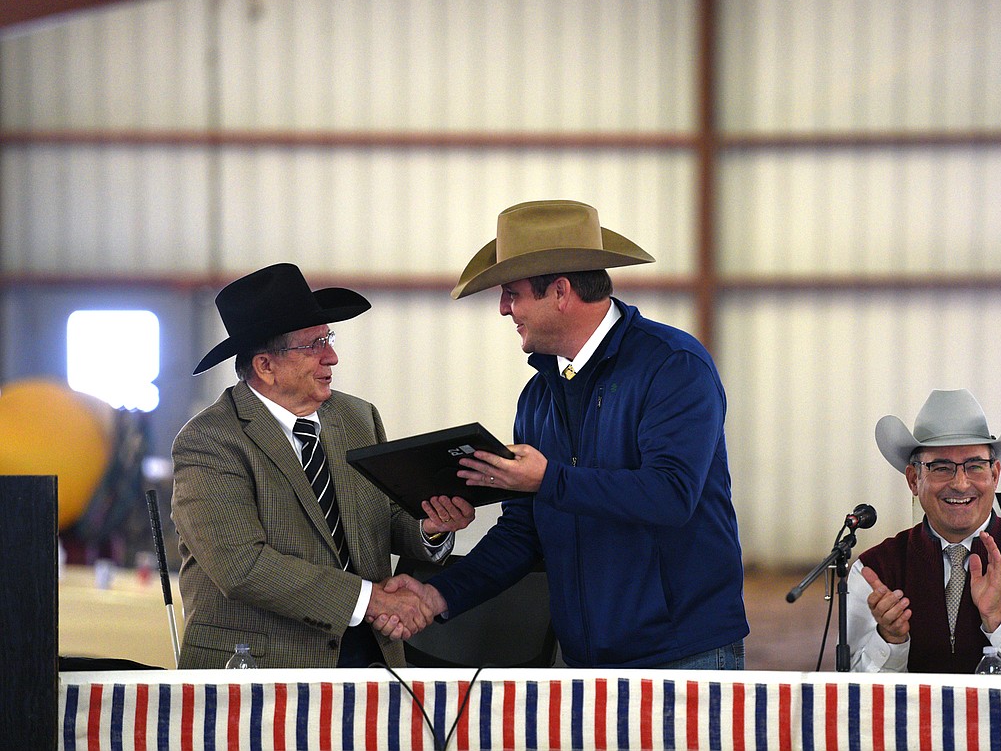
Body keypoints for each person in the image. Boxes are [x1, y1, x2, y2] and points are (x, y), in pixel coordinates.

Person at [374, 199, 749, 669]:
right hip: (583, 660)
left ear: (560, 291)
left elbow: (671, 495)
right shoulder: (538, 396)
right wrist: (436, 596)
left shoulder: (673, 366)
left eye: (512, 292)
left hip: (684, 656)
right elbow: (522, 532)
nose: (504, 308)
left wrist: (548, 479)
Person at [171, 263, 474, 669]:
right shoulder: (211, 441)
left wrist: (429, 526)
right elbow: (243, 567)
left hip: (370, 657)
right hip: (259, 670)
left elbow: (383, 519)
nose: (331, 356)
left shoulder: (357, 418)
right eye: (312, 345)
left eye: (327, 338)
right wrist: (371, 601)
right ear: (265, 366)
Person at [847, 388, 1001, 675]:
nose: (961, 484)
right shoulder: (876, 571)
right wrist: (890, 641)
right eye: (941, 467)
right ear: (914, 480)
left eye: (975, 466)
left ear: (994, 475)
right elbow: (852, 697)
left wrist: (999, 621)